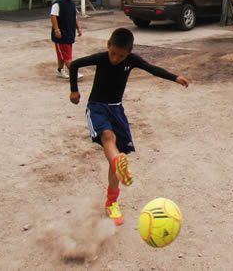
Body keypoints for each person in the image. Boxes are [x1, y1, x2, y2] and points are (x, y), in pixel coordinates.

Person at [68, 27, 189, 226]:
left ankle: (111, 202)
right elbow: (74, 65)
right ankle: (118, 162)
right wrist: (74, 91)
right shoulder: (101, 57)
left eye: (121, 56)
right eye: (113, 53)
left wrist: (174, 77)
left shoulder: (132, 61)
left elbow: (153, 69)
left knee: (114, 156)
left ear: (129, 53)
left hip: (116, 110)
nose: (115, 58)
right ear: (108, 46)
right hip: (97, 107)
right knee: (108, 137)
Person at [50, 0, 82, 78]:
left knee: (63, 55)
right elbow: (53, 16)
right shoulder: (58, 4)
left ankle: (60, 71)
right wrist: (56, 30)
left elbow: (74, 17)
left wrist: (78, 28)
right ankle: (73, 73)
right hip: (61, 35)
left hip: (70, 33)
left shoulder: (72, 4)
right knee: (67, 56)